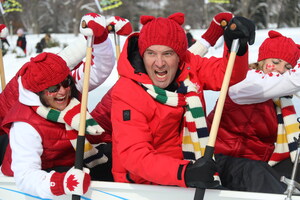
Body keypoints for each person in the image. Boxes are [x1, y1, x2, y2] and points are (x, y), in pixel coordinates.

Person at [96, 12, 255, 189]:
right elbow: (135, 156)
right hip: (145, 182)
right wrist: (184, 173)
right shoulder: (128, 91)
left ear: (179, 56)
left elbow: (228, 75)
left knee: (251, 171)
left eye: (167, 53)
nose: (159, 63)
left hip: (191, 163)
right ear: (142, 55)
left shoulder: (189, 67)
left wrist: (238, 47)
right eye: (151, 53)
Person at [0, 13, 132, 199]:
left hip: (72, 160)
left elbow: (98, 69)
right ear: (39, 92)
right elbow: (25, 176)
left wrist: (101, 38)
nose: (62, 91)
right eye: (53, 89)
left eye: (65, 83)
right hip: (40, 176)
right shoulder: (24, 123)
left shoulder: (68, 88)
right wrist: (61, 183)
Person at [207, 30, 300, 193]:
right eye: (276, 62)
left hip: (257, 165)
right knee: (257, 172)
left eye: (287, 67)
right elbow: (292, 80)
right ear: (262, 61)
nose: (280, 69)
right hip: (221, 162)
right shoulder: (246, 83)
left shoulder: (278, 97)